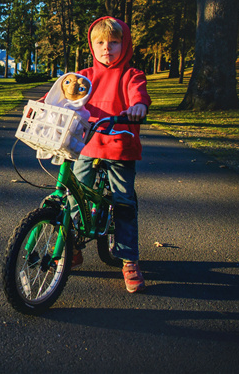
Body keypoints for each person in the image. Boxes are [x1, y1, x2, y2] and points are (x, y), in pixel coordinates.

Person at [71, 16, 151, 293]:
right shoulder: (86, 76)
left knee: (124, 202)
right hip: (88, 145)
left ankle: (129, 259)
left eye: (114, 42)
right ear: (92, 46)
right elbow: (63, 92)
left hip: (120, 146)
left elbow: (138, 94)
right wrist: (43, 103)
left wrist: (138, 106)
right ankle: (73, 245)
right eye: (100, 42)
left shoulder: (131, 75)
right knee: (75, 192)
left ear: (124, 45)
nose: (107, 48)